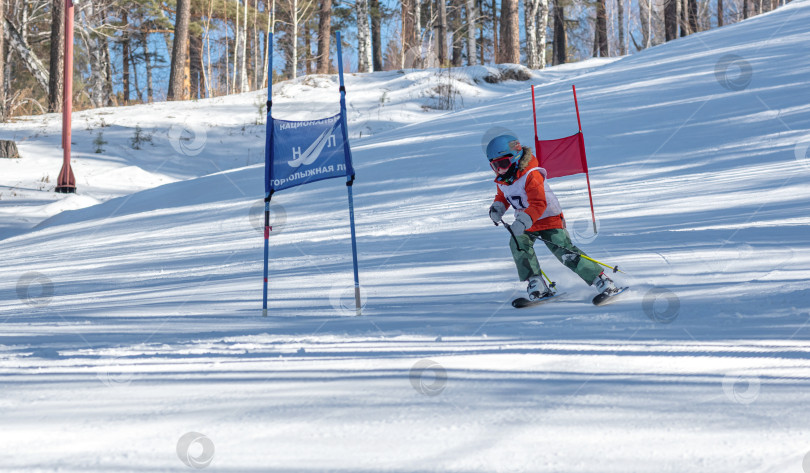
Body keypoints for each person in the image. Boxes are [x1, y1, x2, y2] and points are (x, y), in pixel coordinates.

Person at [486, 134, 619, 301]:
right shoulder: (503, 180)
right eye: (494, 166)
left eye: (502, 163)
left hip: (549, 218)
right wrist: (497, 209)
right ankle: (536, 282)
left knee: (564, 251)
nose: (499, 169)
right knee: (518, 244)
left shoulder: (530, 175)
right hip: (526, 222)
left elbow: (538, 204)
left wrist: (522, 221)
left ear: (516, 157)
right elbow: (502, 197)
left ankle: (601, 280)